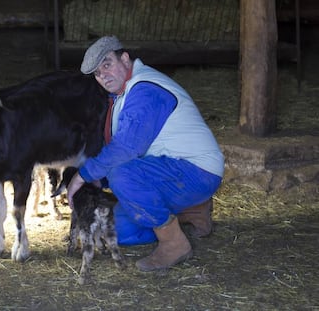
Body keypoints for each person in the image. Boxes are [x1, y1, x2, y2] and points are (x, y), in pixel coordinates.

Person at [66, 36, 224, 272]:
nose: (103, 76)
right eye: (97, 73)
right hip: (169, 171)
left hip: (195, 171)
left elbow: (128, 149)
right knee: (113, 229)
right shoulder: (124, 94)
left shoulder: (145, 90)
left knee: (122, 176)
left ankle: (174, 243)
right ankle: (191, 211)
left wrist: (83, 176)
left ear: (125, 59)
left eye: (107, 64)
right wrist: (100, 178)